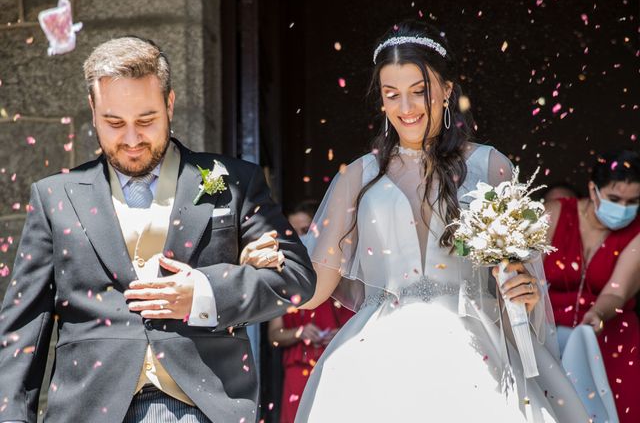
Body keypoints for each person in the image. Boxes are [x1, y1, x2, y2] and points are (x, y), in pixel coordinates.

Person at [240, 21, 589, 422]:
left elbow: (514, 274)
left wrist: (521, 288)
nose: (406, 108)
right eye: (392, 95)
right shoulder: (357, 177)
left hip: (473, 346)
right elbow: (317, 286)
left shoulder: (489, 166)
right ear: (382, 103)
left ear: (446, 90)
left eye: (419, 92)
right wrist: (270, 265)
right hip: (380, 346)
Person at [0, 37, 315, 423]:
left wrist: (204, 293)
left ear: (169, 104)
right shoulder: (54, 197)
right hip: (87, 410)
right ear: (93, 111)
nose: (131, 140)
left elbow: (298, 277)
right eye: (114, 123)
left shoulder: (231, 181)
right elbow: (21, 334)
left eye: (146, 121)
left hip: (203, 407)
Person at [544, 149, 640, 423]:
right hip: (547, 338)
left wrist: (598, 315)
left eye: (633, 201)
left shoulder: (637, 233)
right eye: (614, 199)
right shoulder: (555, 213)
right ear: (592, 189)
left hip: (610, 341)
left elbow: (617, 291)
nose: (623, 208)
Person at [263, 201, 352, 423]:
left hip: (335, 364)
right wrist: (299, 332)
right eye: (293, 232)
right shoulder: (281, 275)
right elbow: (274, 334)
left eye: (304, 231)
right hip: (297, 370)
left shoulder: (339, 272)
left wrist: (339, 333)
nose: (299, 237)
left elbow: (357, 319)